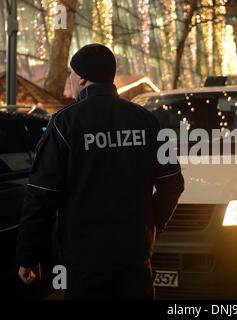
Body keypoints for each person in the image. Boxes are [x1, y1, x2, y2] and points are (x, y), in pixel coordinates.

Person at [16, 44, 184, 299]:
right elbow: (172, 183)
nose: (71, 80)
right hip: (135, 258)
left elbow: (42, 195)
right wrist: (149, 228)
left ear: (81, 77)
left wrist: (29, 254)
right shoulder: (146, 121)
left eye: (71, 74)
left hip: (85, 263)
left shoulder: (65, 123)